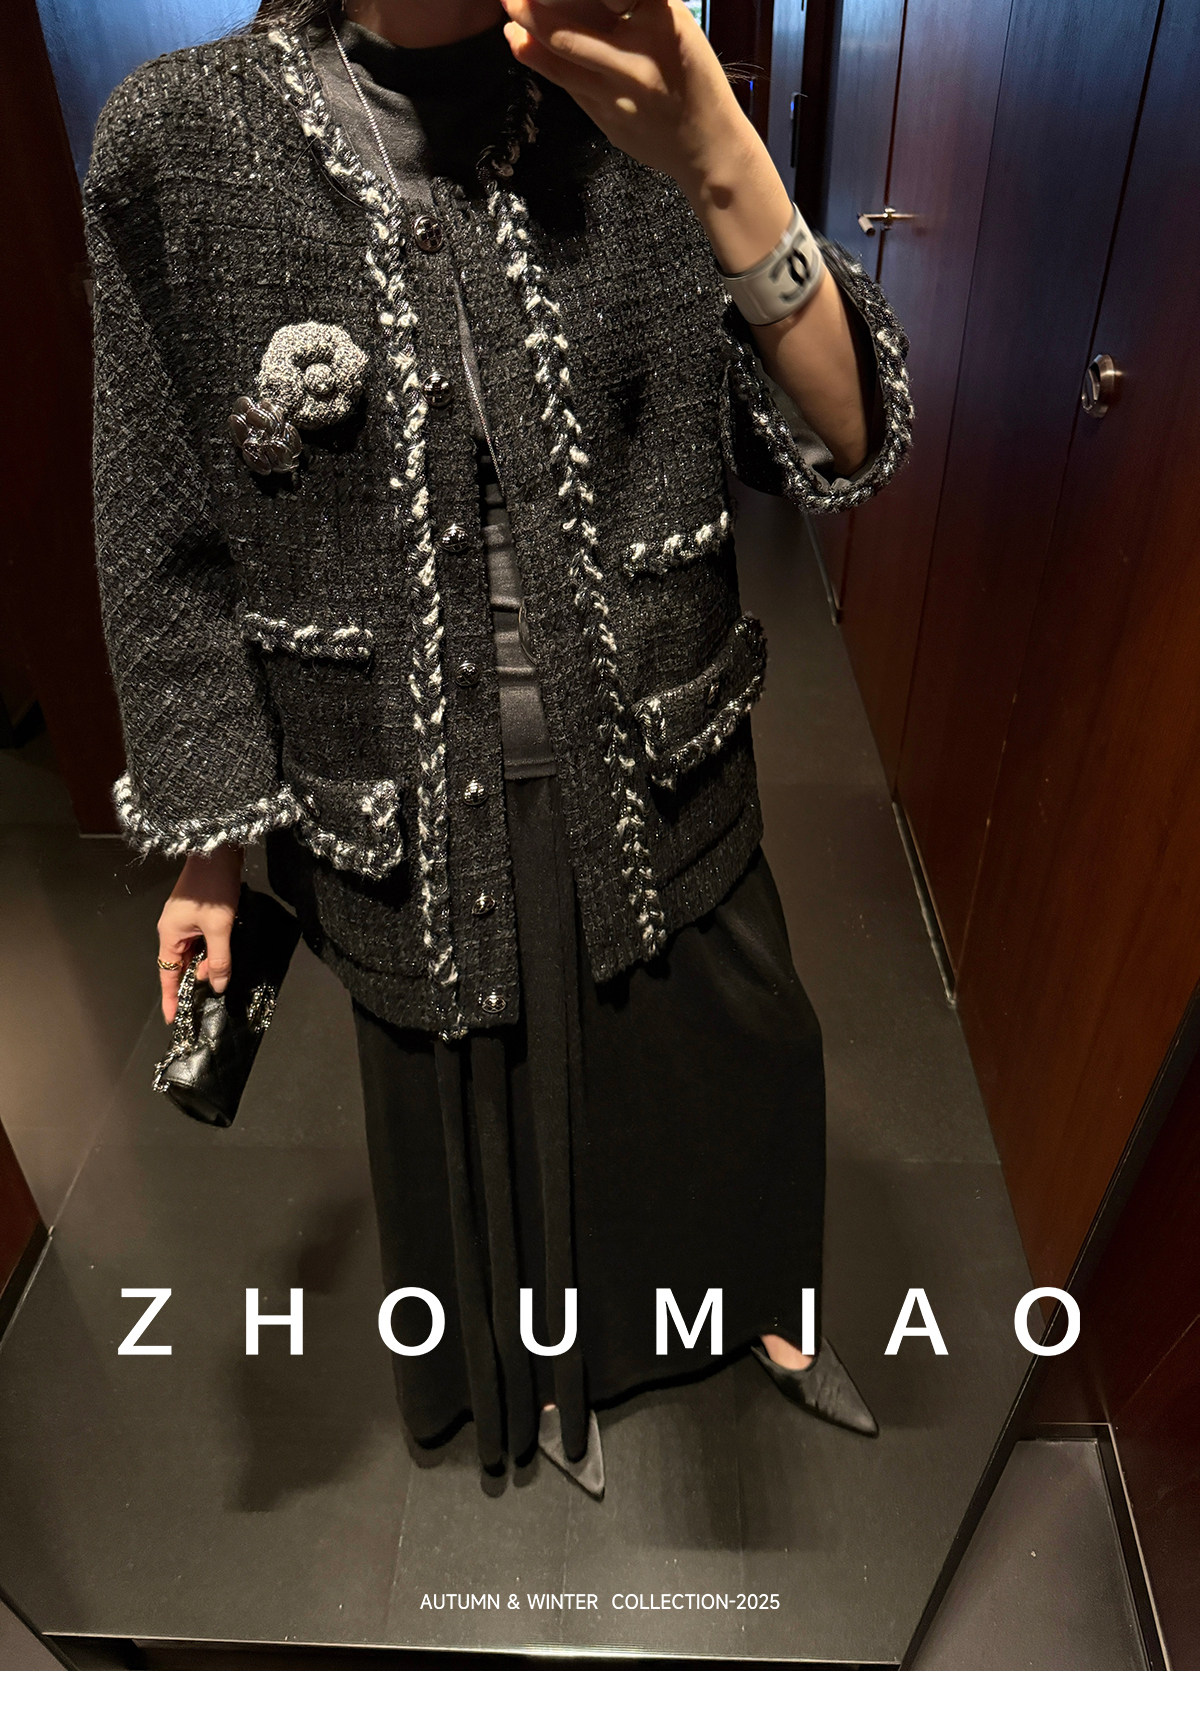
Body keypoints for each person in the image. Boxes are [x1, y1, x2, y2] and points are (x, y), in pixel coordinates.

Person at [84, 0, 912, 1497]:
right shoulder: (181, 139)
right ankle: (548, 1380)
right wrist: (210, 848)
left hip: (659, 746)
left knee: (741, 1054)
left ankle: (763, 1313)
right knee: (487, 1106)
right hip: (401, 791)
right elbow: (165, 537)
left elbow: (841, 440)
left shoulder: (637, 94)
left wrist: (722, 157)